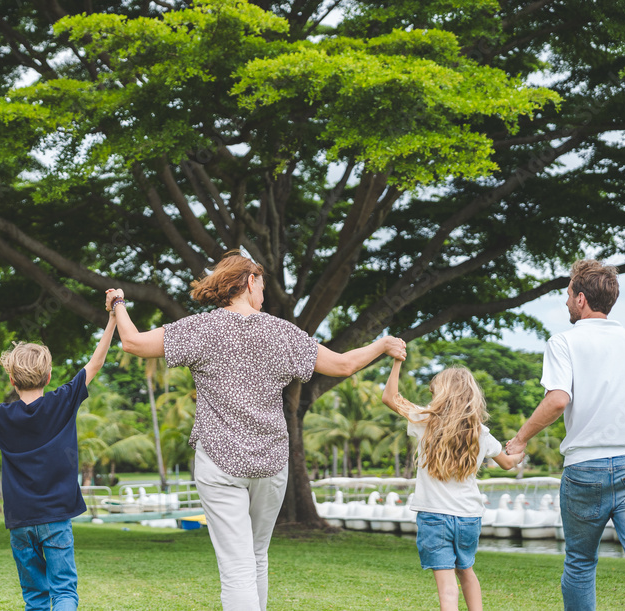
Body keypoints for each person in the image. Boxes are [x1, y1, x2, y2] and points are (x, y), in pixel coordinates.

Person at [106, 250, 407, 611]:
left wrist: (119, 303)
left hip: (218, 462)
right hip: (271, 462)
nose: (263, 295)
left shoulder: (199, 328)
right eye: (262, 285)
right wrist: (383, 344)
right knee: (257, 555)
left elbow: (132, 343)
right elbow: (342, 365)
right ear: (250, 282)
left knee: (237, 567)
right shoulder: (281, 332)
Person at [506, 259, 625, 611]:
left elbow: (557, 399)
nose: (566, 301)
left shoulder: (564, 342)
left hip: (584, 469)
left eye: (568, 294)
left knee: (581, 563)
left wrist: (520, 440)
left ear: (581, 299)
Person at [0, 307, 117, 611]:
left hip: (20, 522)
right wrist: (113, 318)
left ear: (10, 380)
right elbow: (96, 362)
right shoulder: (62, 402)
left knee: (35, 597)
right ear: (48, 376)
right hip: (56, 518)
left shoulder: (1, 417)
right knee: (64, 593)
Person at [382, 359, 523, 611]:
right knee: (466, 571)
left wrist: (396, 362)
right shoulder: (481, 432)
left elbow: (389, 397)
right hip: (469, 517)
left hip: (435, 517)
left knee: (447, 588)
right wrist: (519, 450)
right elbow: (508, 464)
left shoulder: (425, 421)